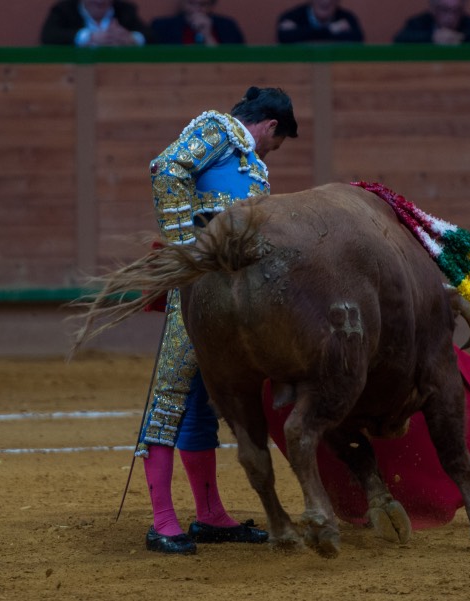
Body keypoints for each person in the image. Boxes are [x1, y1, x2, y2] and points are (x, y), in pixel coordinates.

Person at [140, 87, 298, 555]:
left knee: (201, 401)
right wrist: (183, 251)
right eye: (277, 140)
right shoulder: (218, 131)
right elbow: (165, 167)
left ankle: (209, 516)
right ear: (270, 126)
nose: (272, 150)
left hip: (233, 299)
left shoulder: (251, 163)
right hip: (196, 291)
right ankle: (163, 522)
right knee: (171, 393)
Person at [40, 0, 149, 46]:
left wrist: (132, 38)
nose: (100, 1)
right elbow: (49, 35)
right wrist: (89, 37)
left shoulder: (125, 11)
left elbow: (151, 36)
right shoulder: (64, 10)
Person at [393, 0, 470, 44]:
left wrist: (461, 37)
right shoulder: (420, 22)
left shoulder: (467, 22)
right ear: (433, 9)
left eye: (456, 11)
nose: (450, 17)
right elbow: (400, 39)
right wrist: (432, 38)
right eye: (444, 10)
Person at [150, 0, 245, 45]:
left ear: (212, 5)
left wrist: (208, 35)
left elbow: (234, 61)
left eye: (203, 5)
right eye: (191, 3)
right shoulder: (162, 26)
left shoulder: (228, 27)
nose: (197, 9)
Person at [277, 0, 364, 44]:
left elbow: (358, 38)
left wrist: (300, 31)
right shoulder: (292, 16)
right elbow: (283, 37)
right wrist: (330, 30)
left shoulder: (346, 17)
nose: (325, 1)